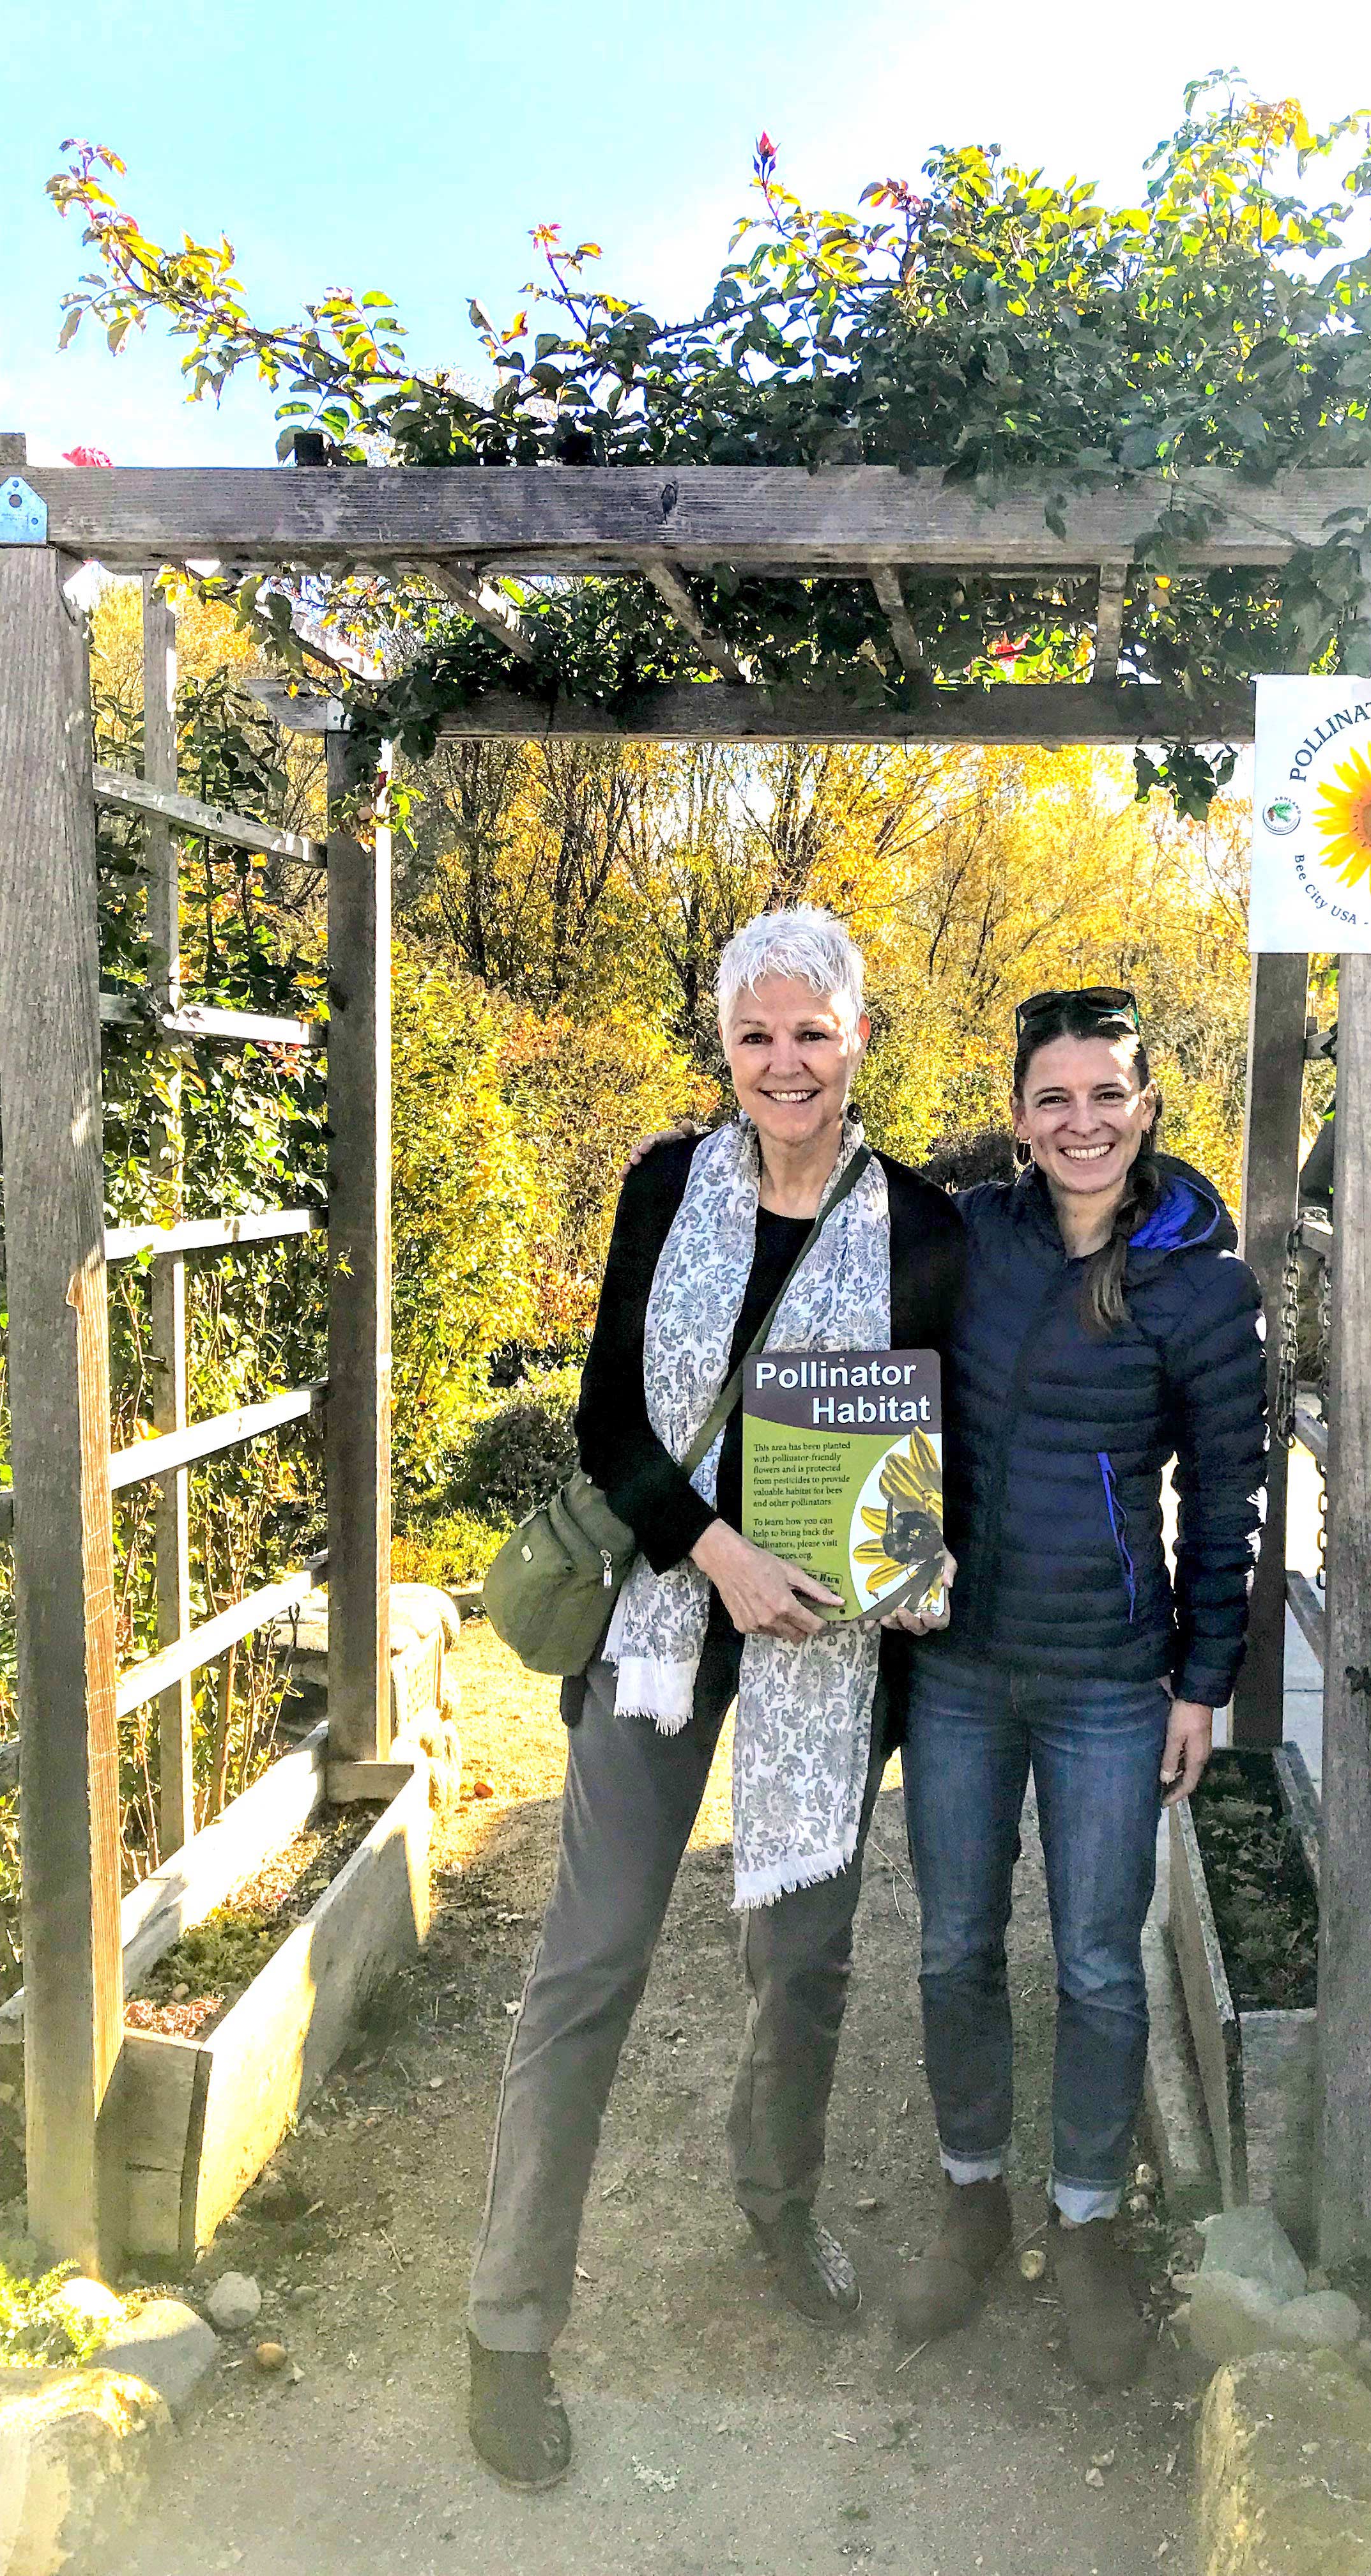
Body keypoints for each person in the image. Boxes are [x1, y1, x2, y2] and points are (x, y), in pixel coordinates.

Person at [467, 908, 963, 2491]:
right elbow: (609, 1420)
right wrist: (719, 1553)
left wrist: (916, 1557)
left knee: (802, 1958)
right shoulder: (665, 1187)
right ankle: (508, 2326)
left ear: (859, 1038)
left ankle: (777, 2207)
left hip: (830, 1643)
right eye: (757, 1035)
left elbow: (930, 1445)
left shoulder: (924, 1227)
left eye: (813, 1032)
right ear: (726, 1050)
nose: (785, 1063)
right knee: (590, 1960)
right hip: (666, 1618)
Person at [892, 985, 1266, 2389]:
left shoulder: (1201, 1285)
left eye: (1107, 1094)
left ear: (1147, 1108)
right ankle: (971, 2195)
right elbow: (860, 1341)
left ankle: (1092, 2220)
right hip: (961, 1667)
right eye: (1053, 1097)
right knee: (953, 1945)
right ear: (1018, 1119)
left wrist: (1202, 1679)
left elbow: (1226, 1495)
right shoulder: (970, 1241)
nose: (1082, 1121)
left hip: (1112, 1679)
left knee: (1101, 1963)